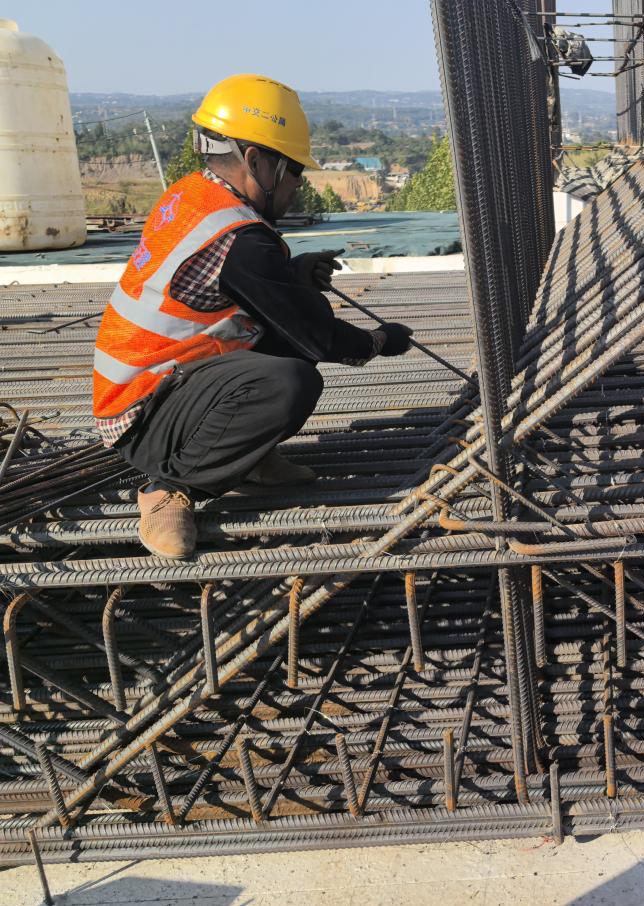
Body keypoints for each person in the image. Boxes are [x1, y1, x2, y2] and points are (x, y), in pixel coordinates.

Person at [92, 74, 415, 559]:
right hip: (144, 416)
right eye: (294, 173)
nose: (297, 189)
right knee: (290, 381)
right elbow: (315, 335)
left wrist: (292, 274)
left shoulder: (195, 193)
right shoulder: (241, 237)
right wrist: (378, 341)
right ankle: (172, 490)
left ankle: (248, 457)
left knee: (283, 336)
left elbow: (236, 286)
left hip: (161, 384)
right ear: (256, 160)